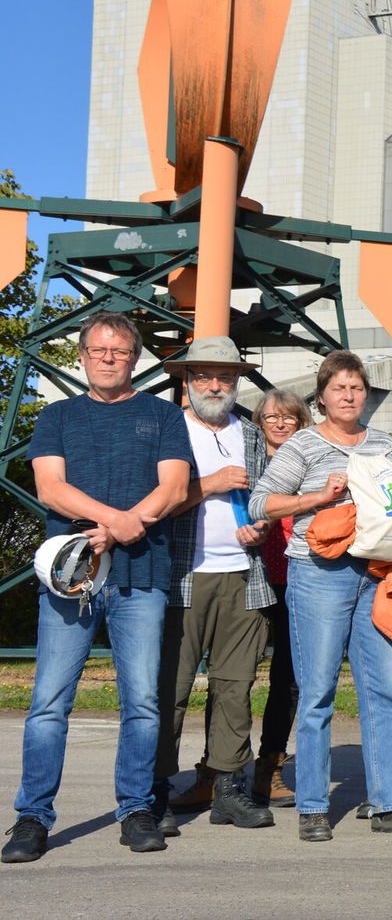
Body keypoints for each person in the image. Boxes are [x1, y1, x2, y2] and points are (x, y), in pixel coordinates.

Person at [5, 312, 193, 863]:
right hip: (70, 577)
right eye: (98, 349)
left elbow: (176, 486)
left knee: (140, 701)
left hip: (141, 577)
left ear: (135, 358)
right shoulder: (58, 415)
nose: (108, 357)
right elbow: (50, 488)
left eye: (119, 350)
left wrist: (115, 530)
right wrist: (116, 522)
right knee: (47, 704)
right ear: (83, 355)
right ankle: (32, 817)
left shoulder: (163, 415)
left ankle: (136, 809)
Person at [249, 350, 392, 843]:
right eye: (340, 389)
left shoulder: (385, 445)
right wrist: (317, 498)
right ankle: (313, 805)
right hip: (318, 574)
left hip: (377, 574)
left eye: (357, 388)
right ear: (323, 395)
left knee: (385, 690)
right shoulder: (303, 445)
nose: (349, 396)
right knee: (317, 693)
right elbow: (261, 502)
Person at [154, 338, 275, 834]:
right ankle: (153, 792)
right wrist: (209, 485)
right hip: (181, 577)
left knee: (235, 688)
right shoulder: (167, 430)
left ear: (236, 382)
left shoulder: (250, 433)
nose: (214, 384)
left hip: (244, 577)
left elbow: (269, 497)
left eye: (223, 376)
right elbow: (152, 505)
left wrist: (261, 526)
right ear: (187, 381)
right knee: (170, 690)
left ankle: (228, 788)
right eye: (203, 375)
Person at [251, 388, 316, 809]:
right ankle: (217, 767)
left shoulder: (308, 462)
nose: (278, 423)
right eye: (271, 417)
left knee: (287, 680)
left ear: (300, 422)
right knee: (234, 678)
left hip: (297, 579)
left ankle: (270, 765)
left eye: (288, 417)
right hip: (253, 578)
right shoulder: (248, 462)